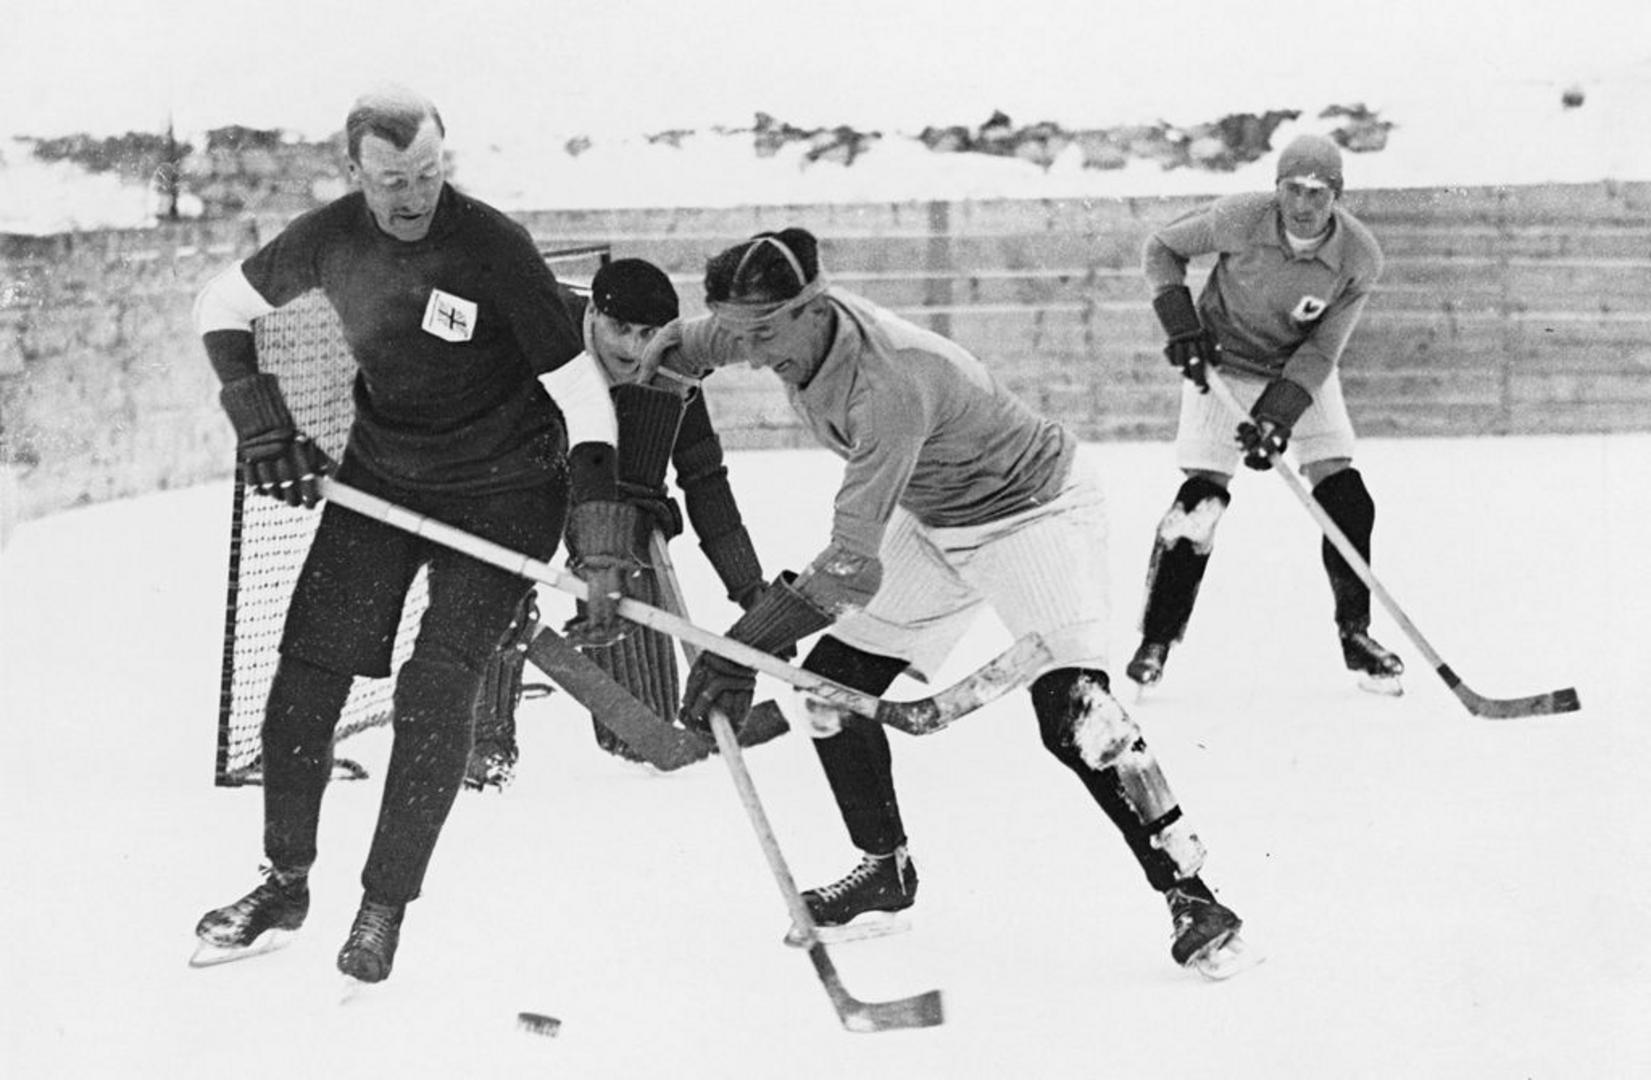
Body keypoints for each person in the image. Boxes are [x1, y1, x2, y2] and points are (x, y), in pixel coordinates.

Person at [643, 228, 1252, 978]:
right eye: (741, 335)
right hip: (937, 518)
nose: (755, 354)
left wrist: (742, 648)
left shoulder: (888, 386)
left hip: (1033, 511)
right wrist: (632, 444)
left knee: (1074, 714)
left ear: (815, 306)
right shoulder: (769, 328)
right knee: (831, 688)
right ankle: (884, 870)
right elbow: (676, 349)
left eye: (765, 334)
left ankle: (1192, 894)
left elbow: (848, 567)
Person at [189, 85, 636, 984]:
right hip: (385, 476)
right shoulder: (328, 237)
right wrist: (261, 423)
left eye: (428, 174)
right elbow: (219, 307)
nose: (412, 196)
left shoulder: (492, 247)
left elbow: (583, 398)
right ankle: (284, 883)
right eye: (392, 180)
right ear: (354, 171)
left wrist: (597, 541)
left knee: (435, 687)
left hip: (507, 491)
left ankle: (382, 907)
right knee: (305, 679)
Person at [464, 257, 776, 786]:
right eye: (620, 329)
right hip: (513, 460)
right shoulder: (543, 334)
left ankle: (634, 726)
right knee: (495, 575)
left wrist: (749, 587)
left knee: (626, 550)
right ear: (592, 315)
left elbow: (705, 478)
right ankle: (482, 742)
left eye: (649, 333)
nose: (634, 348)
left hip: (610, 478)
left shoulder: (673, 366)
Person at [1126, 133, 1404, 695]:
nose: (1303, 204)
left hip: (1298, 368)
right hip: (1222, 364)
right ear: (1276, 189)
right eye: (1292, 189)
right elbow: (1161, 249)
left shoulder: (1358, 257)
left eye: (1318, 192)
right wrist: (1181, 323)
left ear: (1338, 195)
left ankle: (1356, 634)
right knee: (1200, 502)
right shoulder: (1239, 218)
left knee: (1347, 496)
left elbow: (1322, 348)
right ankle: (1156, 641)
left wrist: (1279, 414)